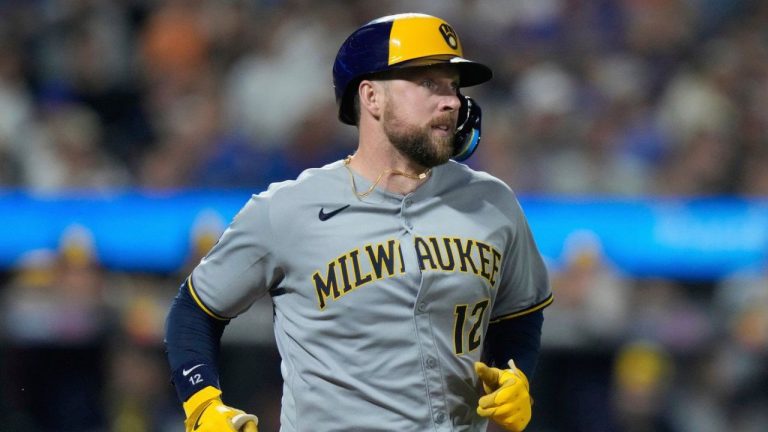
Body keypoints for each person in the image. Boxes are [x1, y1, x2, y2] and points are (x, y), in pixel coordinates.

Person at [164, 12, 552, 432]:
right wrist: (202, 403)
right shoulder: (289, 209)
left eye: (454, 86)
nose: (453, 101)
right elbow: (194, 309)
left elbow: (521, 313)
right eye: (429, 83)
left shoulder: (493, 202)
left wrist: (517, 375)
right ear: (371, 97)